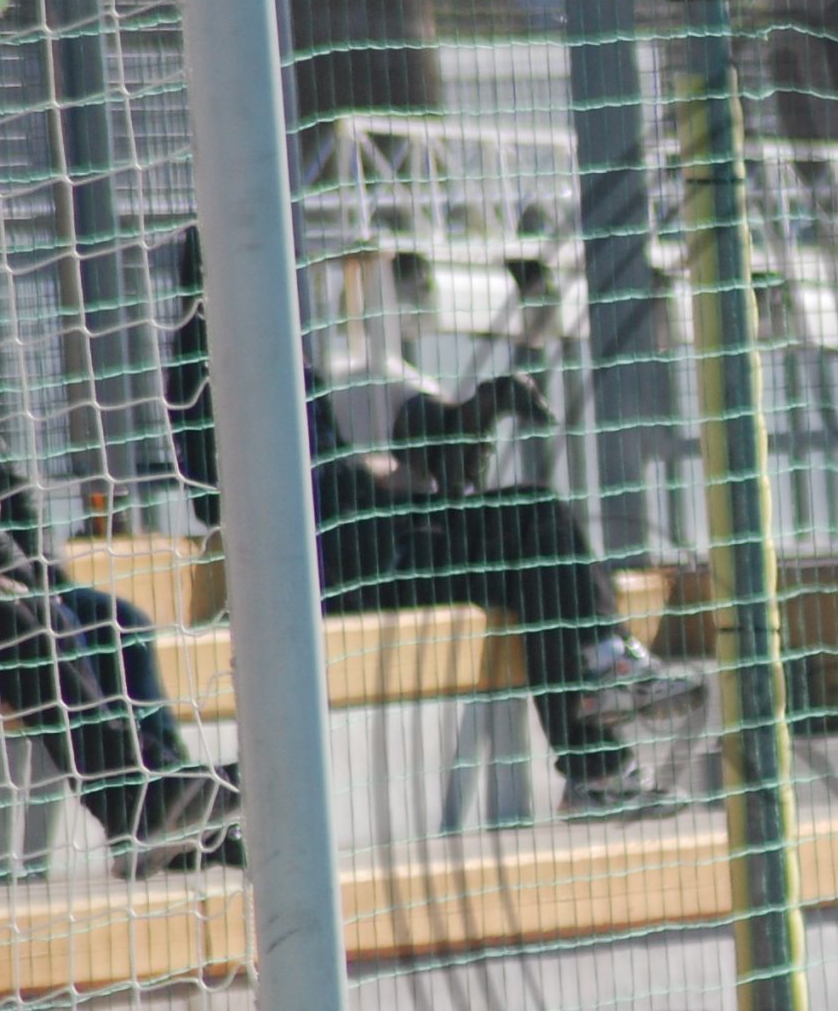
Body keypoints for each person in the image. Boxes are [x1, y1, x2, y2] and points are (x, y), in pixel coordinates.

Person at [162, 226, 700, 821]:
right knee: (527, 526)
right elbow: (215, 499)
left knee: (535, 520)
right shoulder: (204, 369)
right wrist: (353, 489)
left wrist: (444, 435)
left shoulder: (283, 352)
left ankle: (599, 729)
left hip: (383, 538)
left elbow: (351, 447)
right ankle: (601, 696)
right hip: (339, 574)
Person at [0, 209, 240, 878]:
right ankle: (139, 810)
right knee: (34, 622)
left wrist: (38, 573)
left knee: (118, 623)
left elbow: (10, 494)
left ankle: (175, 807)